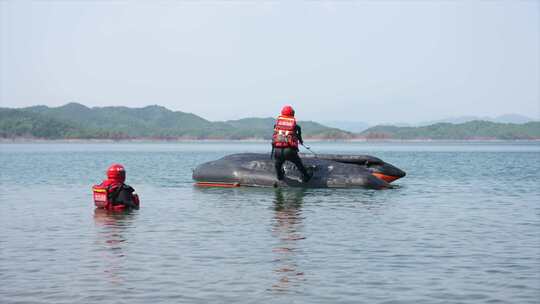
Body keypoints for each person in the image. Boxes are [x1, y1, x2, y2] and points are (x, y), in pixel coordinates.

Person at [271, 105, 312, 182]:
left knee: (278, 164)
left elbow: (274, 136)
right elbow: (299, 138)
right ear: (292, 114)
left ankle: (279, 176)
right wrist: (301, 142)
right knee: (298, 163)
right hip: (289, 150)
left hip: (277, 151)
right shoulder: (296, 126)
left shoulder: (276, 125)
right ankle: (306, 176)